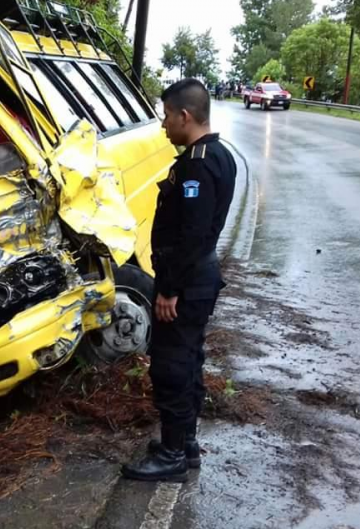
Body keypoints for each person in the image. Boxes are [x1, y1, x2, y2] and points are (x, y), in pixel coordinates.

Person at [122, 78, 237, 482]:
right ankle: (184, 443)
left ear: (185, 116)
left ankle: (172, 454)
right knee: (189, 360)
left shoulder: (197, 164)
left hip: (186, 283)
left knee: (171, 365)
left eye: (167, 116)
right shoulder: (220, 155)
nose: (163, 125)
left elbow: (190, 234)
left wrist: (169, 288)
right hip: (197, 276)